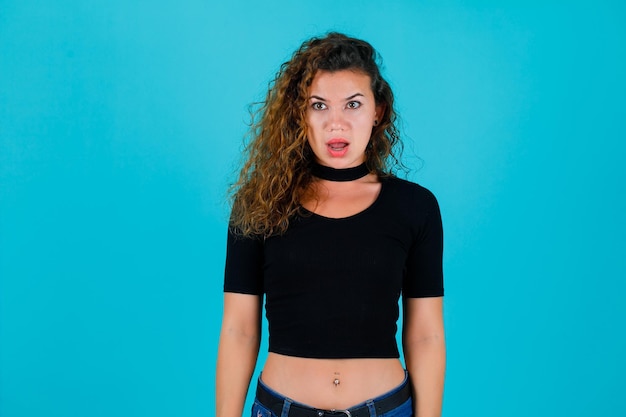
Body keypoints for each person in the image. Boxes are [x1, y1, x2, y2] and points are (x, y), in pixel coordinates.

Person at [216, 32, 445, 417]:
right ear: (299, 114)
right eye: (318, 105)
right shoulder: (260, 203)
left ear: (378, 110)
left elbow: (425, 335)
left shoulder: (415, 206)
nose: (335, 123)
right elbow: (239, 329)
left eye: (353, 104)